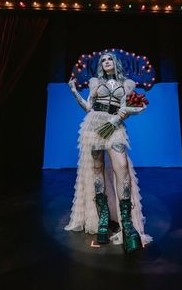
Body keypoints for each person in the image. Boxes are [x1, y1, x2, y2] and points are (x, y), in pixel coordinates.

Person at [65, 52, 152, 253]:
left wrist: (120, 117)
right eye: (102, 60)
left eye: (109, 59)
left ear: (115, 63)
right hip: (94, 124)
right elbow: (88, 107)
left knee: (121, 167)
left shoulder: (127, 84)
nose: (105, 62)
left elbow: (127, 108)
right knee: (97, 168)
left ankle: (127, 225)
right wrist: (73, 91)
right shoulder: (95, 82)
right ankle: (103, 219)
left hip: (115, 126)